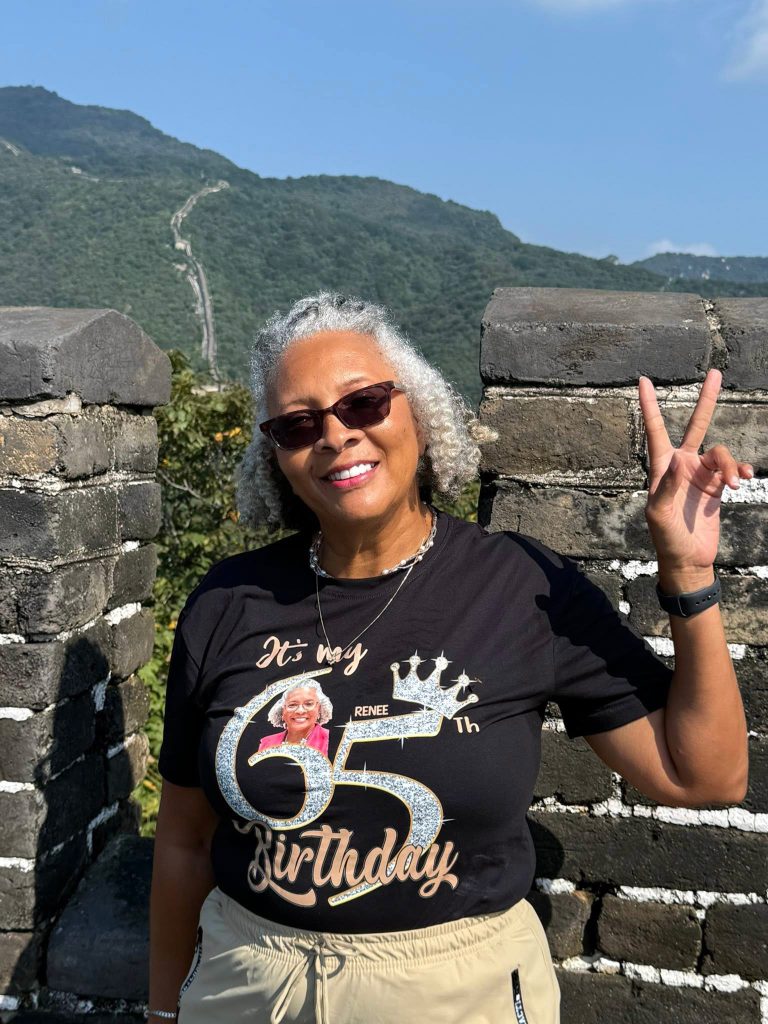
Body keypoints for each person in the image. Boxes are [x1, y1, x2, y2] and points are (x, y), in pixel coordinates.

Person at [148, 292, 750, 1024]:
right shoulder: (228, 601)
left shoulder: (521, 588)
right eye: (299, 424)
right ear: (276, 456)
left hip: (456, 994)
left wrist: (687, 573)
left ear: (421, 412)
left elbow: (705, 777)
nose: (336, 435)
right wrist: (164, 1012)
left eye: (364, 403)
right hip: (247, 985)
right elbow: (185, 841)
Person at [257, 682, 332, 756]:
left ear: (319, 709)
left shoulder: (331, 739)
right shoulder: (267, 743)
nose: (300, 711)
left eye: (308, 704)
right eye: (292, 705)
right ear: (282, 711)